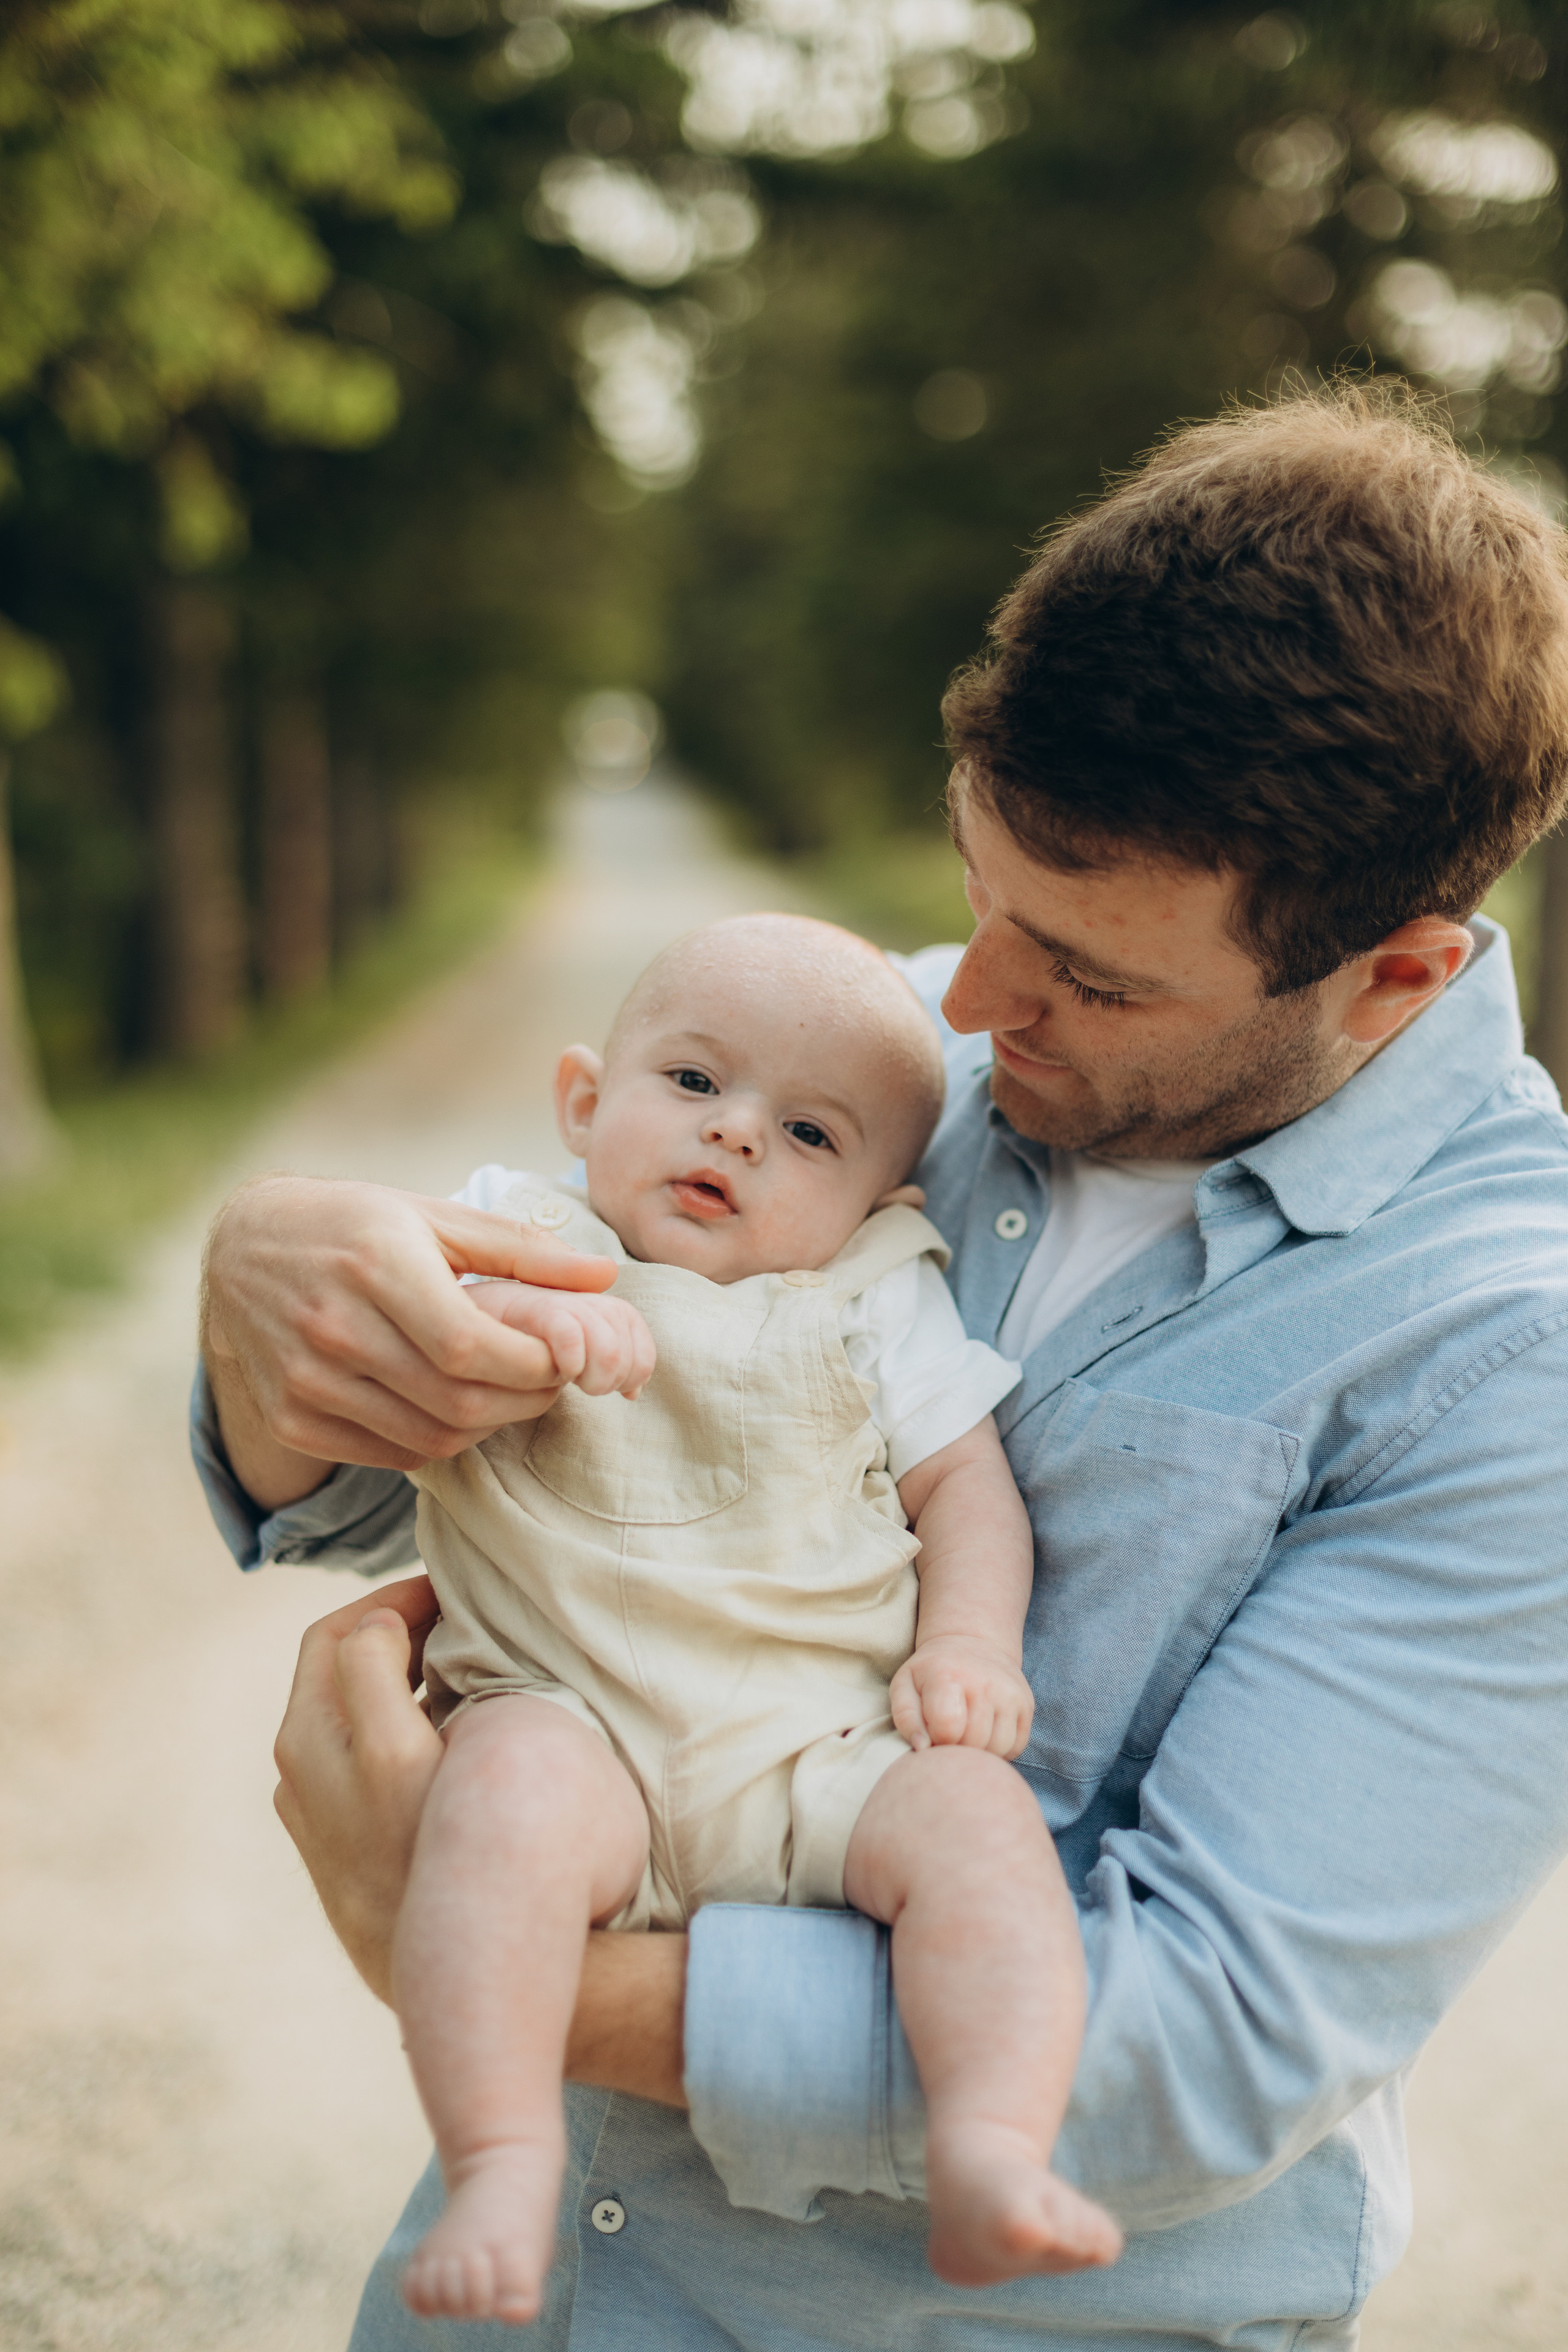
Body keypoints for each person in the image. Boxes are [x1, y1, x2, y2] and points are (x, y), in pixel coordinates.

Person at [198, 383, 1568, 2350]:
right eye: (978, 893)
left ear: (1398, 970)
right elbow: (429, 1469)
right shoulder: (857, 1054)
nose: (977, 1008)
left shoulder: (1512, 1353)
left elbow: (1210, 2055)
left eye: (1091, 974)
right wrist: (265, 1325)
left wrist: (483, 1954)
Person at [390, 913, 1119, 2321]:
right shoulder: (520, 1234)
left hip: (815, 1758)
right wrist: (502, 1315)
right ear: (581, 1104)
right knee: (492, 1814)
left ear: (883, 1203)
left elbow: (967, 1488)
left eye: (807, 1136)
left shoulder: (872, 1304)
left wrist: (966, 1647)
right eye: (693, 1086)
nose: (733, 1139)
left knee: (974, 1824)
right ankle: (496, 2155)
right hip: (572, 1727)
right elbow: (401, 1324)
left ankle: (987, 2145)